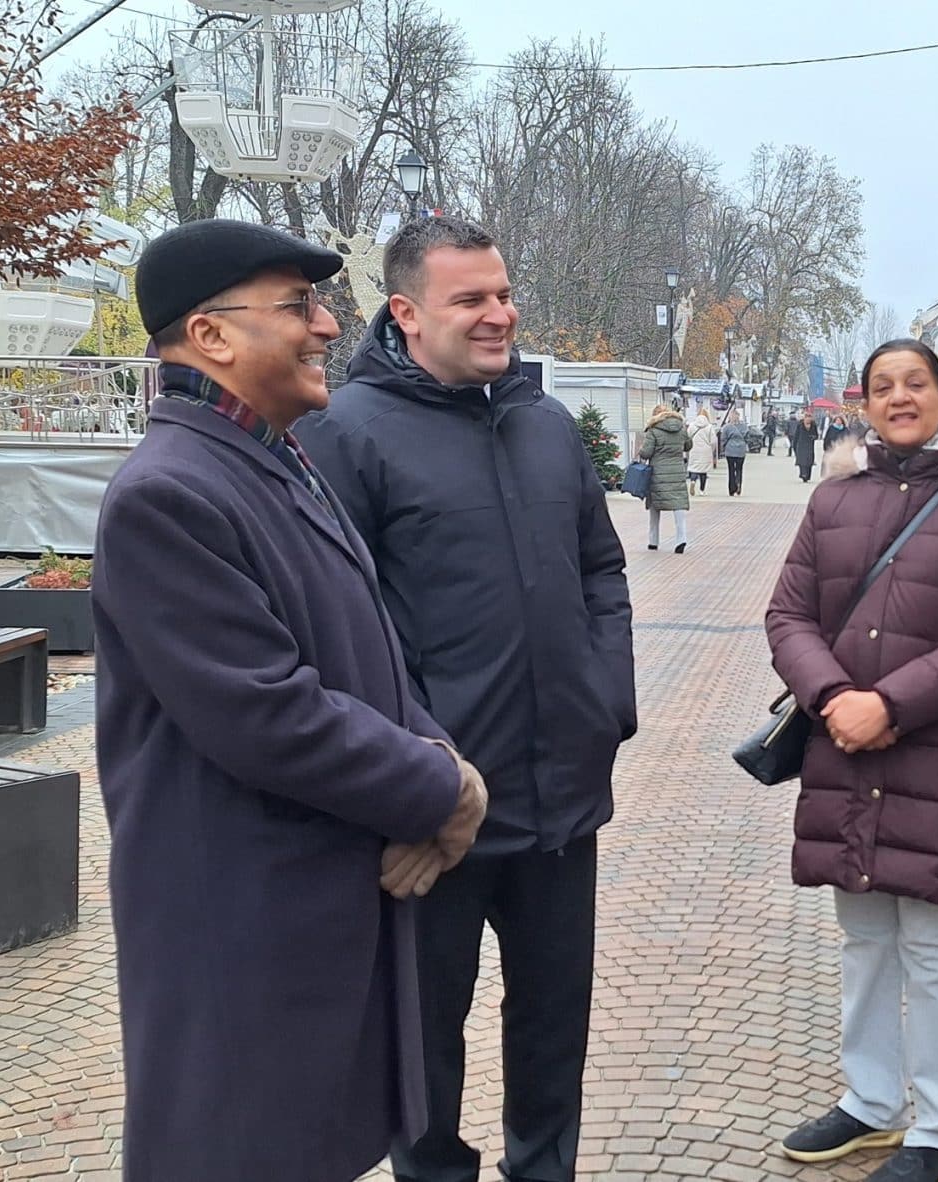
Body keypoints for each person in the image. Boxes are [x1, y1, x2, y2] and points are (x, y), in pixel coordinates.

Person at [92, 218, 490, 1182]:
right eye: (299, 306)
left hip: (310, 910)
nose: (326, 327)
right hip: (240, 928)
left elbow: (371, 656)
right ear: (211, 335)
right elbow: (266, 712)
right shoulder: (168, 494)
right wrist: (440, 790)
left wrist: (440, 759)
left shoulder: (271, 458)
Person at [295, 214, 637, 1182]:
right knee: (423, 1052)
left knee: (553, 1034)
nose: (500, 314)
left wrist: (605, 704)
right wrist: (414, 776)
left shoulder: (545, 424)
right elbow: (340, 626)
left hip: (561, 802)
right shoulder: (346, 433)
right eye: (472, 299)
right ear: (406, 313)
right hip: (433, 815)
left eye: (504, 293)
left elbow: (601, 570)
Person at [765, 339, 938, 1182]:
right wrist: (835, 697)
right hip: (842, 745)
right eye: (884, 387)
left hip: (936, 752)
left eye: (916, 384)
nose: (900, 397)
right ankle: (872, 1102)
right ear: (865, 403)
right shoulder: (833, 497)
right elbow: (788, 615)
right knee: (865, 935)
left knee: (936, 944)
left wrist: (892, 704)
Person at [637, 403, 694, 551]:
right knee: (678, 504)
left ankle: (653, 541)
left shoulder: (653, 430)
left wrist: (641, 449)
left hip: (658, 472)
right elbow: (688, 446)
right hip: (677, 471)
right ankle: (681, 539)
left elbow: (646, 453)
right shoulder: (681, 428)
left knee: (655, 506)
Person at [719, 407, 755, 496]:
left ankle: (732, 489)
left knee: (731, 469)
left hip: (730, 450)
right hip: (741, 451)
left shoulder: (727, 427)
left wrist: (723, 448)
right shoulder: (744, 427)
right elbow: (748, 438)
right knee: (739, 469)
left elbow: (723, 439)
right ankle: (738, 483)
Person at [686, 409, 718, 493]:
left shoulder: (692, 425)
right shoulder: (709, 427)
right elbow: (713, 441)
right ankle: (702, 490)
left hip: (694, 449)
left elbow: (687, 437)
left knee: (694, 468)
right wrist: (712, 450)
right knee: (703, 470)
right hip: (705, 451)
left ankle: (693, 481)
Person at [787, 409, 821, 483]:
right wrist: (794, 445)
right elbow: (796, 435)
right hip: (801, 445)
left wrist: (813, 437)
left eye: (809, 417)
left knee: (809, 462)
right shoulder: (800, 425)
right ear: (804, 418)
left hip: (809, 445)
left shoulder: (813, 425)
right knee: (802, 461)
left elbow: (816, 435)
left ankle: (807, 476)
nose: (808, 419)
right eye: (807, 417)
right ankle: (803, 474)